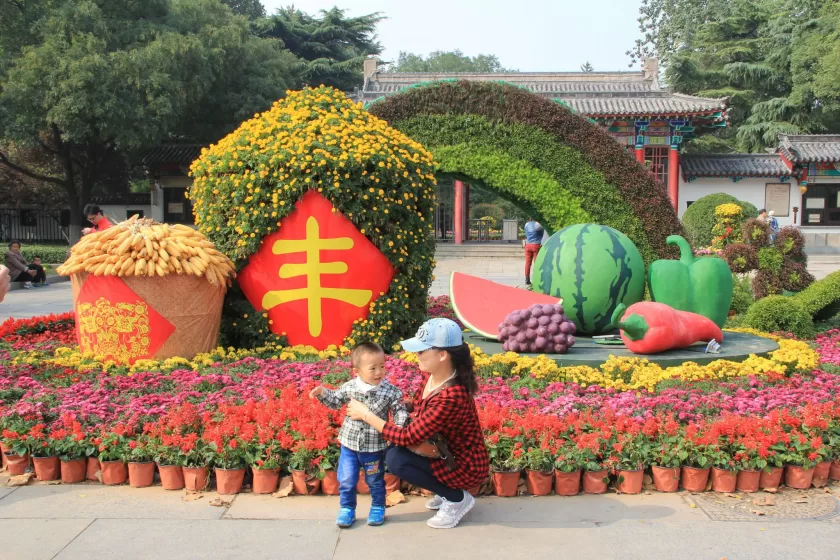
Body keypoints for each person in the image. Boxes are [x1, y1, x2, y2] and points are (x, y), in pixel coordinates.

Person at [346, 318, 490, 530]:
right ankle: (445, 490)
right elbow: (421, 405)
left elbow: (407, 437)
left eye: (422, 350)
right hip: (445, 451)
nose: (416, 354)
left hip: (463, 464)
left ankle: (456, 498)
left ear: (442, 355)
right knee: (395, 451)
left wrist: (366, 414)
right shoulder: (432, 375)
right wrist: (403, 404)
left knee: (396, 459)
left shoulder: (452, 395)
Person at [309, 342, 408, 528]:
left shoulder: (390, 392)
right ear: (357, 371)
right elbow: (335, 400)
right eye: (373, 368)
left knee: (375, 480)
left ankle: (378, 507)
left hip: (374, 448)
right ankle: (347, 508)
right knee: (346, 479)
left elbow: (399, 410)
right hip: (349, 446)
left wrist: (399, 426)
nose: (379, 372)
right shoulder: (350, 387)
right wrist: (322, 392)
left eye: (382, 366)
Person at [523, 217, 544, 285]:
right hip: (536, 245)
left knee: (528, 263)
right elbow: (542, 231)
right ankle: (537, 279)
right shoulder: (538, 224)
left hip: (528, 245)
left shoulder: (526, 224)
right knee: (537, 263)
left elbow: (526, 234)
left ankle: (527, 279)